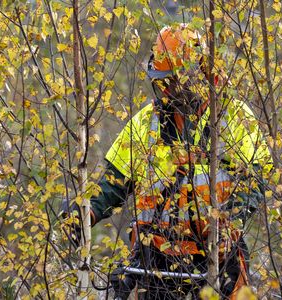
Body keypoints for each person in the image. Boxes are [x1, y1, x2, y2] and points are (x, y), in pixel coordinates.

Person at [61, 24, 270, 300]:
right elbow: (113, 183)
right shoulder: (147, 123)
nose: (167, 88)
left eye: (173, 81)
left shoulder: (232, 116)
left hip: (217, 259)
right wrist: (84, 213)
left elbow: (258, 177)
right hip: (158, 262)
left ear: (197, 75)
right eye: (163, 81)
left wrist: (230, 217)